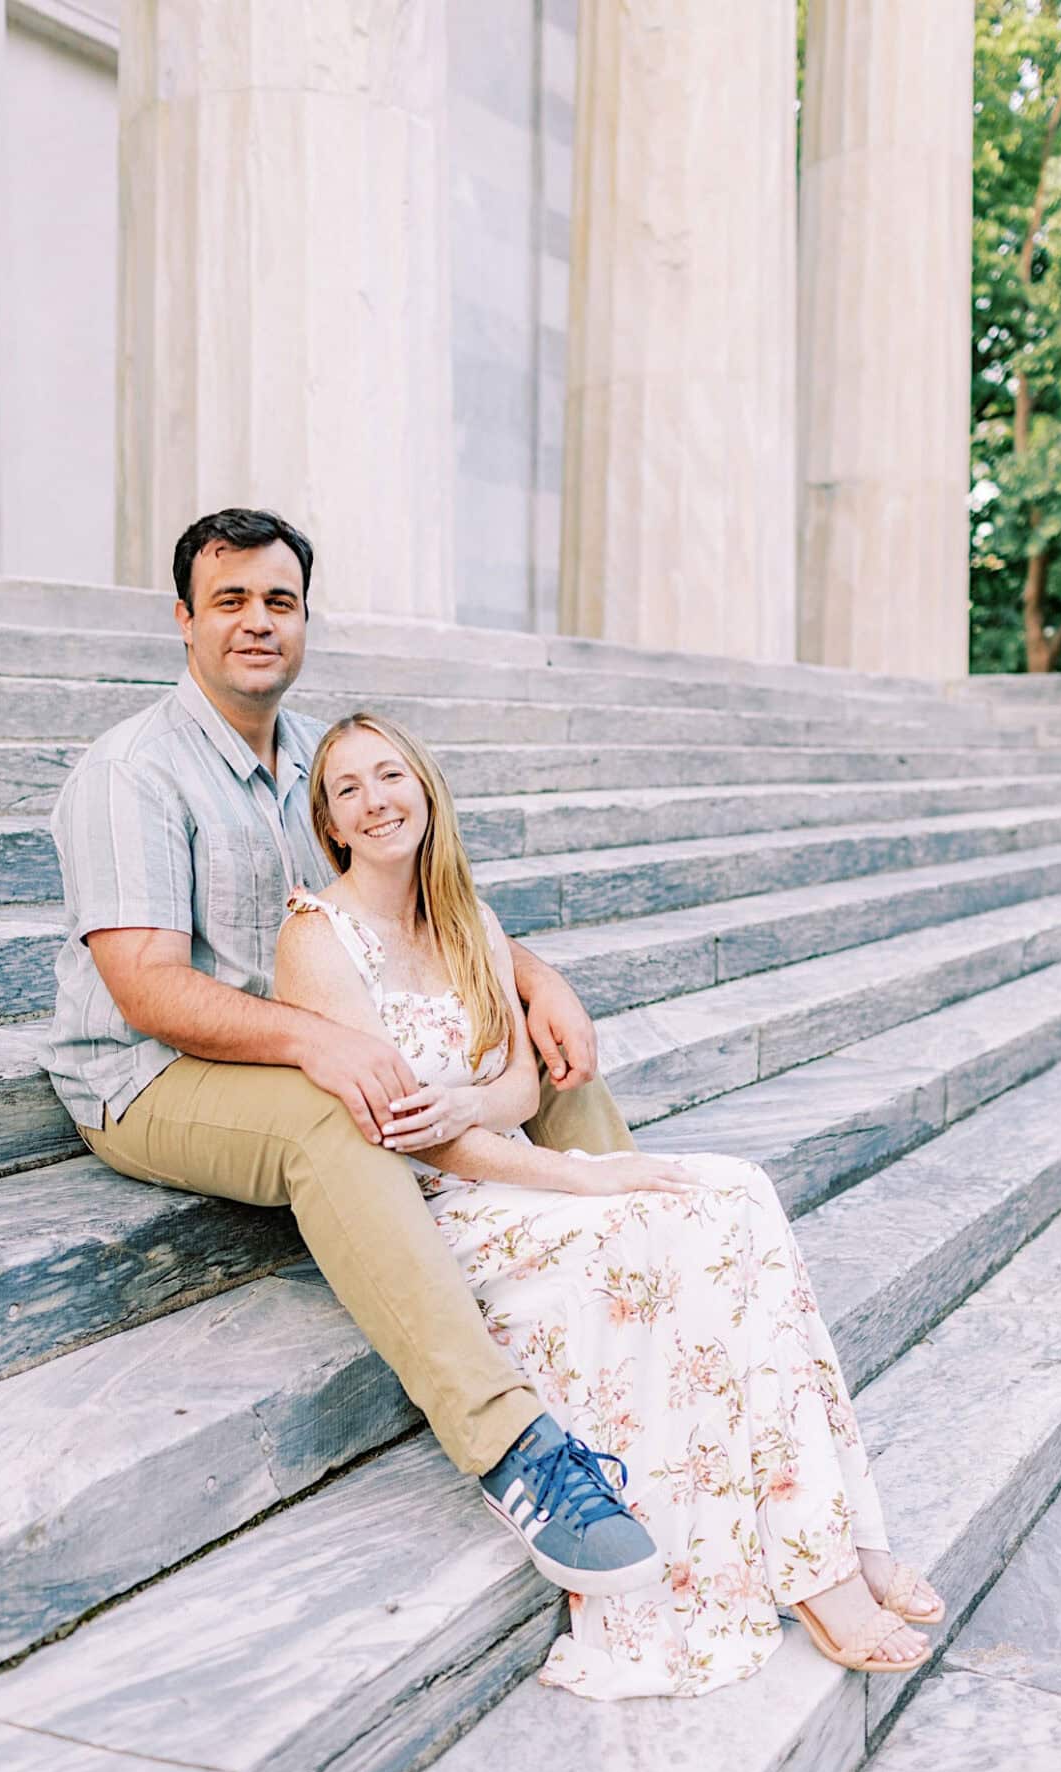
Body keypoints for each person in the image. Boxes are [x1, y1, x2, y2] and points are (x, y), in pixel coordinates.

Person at [47, 507, 647, 1597]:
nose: (256, 622)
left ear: (305, 618)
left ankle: (641, 1256)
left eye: (279, 601)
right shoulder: (130, 772)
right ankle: (514, 1447)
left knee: (545, 1060)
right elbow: (145, 989)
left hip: (302, 1034)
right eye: (229, 600)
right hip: (150, 1075)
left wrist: (534, 977)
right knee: (344, 1111)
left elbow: (417, 910)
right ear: (184, 619)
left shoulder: (326, 762)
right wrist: (317, 1041)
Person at [272, 712, 938, 1684]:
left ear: (425, 788)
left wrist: (483, 1103)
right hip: (442, 1213)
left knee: (739, 1193)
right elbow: (406, 1132)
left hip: (510, 1172)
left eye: (390, 776)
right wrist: (583, 1173)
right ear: (330, 822)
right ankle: (816, 1573)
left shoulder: (467, 920)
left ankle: (840, 1529)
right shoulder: (318, 938)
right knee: (673, 1232)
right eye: (348, 789)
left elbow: (513, 1089)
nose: (375, 802)